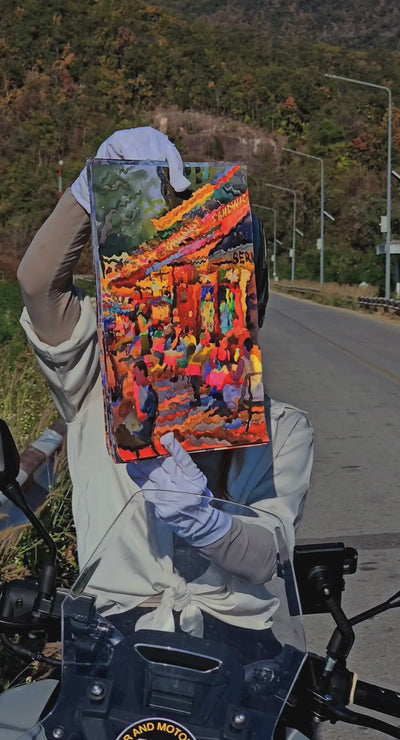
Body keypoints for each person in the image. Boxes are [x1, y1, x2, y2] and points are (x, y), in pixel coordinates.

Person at [17, 126, 314, 632]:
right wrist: (90, 193)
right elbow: (38, 285)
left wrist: (209, 524)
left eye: (221, 288)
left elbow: (270, 553)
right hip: (112, 633)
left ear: (251, 303)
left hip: (230, 637)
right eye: (171, 280)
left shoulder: (282, 427)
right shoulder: (97, 380)